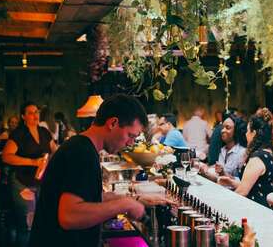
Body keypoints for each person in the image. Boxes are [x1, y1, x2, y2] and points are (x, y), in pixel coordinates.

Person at [29, 94, 172, 247]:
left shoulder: (81, 147)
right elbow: (69, 216)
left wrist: (132, 200)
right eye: (130, 135)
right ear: (113, 123)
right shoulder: (81, 152)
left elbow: (87, 197)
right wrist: (124, 205)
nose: (130, 143)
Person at [2, 102, 57, 247]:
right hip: (22, 183)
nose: (35, 115)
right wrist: (33, 162)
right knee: (26, 226)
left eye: (36, 112)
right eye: (31, 112)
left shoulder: (44, 132)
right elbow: (6, 156)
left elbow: (55, 151)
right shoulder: (19, 134)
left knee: (41, 224)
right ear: (23, 116)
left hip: (41, 183)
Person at [217, 112, 273, 208]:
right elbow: (256, 185)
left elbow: (243, 192)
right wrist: (232, 182)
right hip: (263, 206)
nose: (245, 134)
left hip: (255, 208)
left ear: (254, 133)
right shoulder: (268, 152)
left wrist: (222, 205)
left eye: (248, 131)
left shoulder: (257, 158)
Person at [202, 114, 247, 182]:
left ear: (236, 131)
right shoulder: (223, 149)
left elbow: (241, 182)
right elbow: (219, 173)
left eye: (227, 128)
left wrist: (223, 173)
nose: (222, 130)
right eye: (223, 127)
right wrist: (205, 168)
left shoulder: (242, 153)